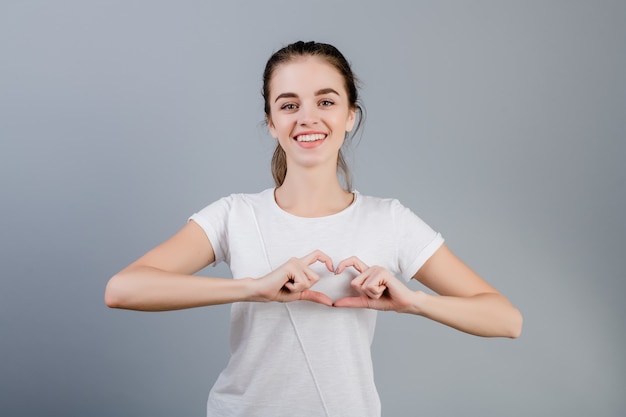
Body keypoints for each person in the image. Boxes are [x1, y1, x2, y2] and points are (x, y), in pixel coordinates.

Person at [105, 40, 522, 417]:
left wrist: (413, 302)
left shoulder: (388, 219)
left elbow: (506, 319)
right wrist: (253, 288)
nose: (308, 118)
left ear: (350, 116)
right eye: (288, 105)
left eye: (326, 102)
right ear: (270, 121)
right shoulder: (235, 214)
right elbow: (123, 289)